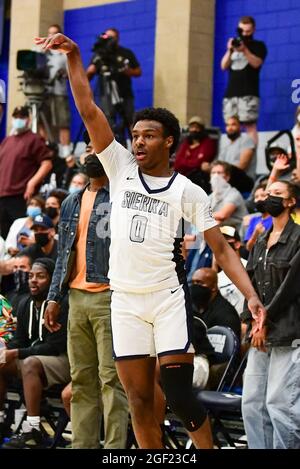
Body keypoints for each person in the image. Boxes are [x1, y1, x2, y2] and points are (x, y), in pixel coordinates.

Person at [35, 32, 266, 450]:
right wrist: (73, 56)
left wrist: (250, 294)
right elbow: (87, 108)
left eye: (149, 135)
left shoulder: (187, 191)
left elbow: (221, 249)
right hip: (122, 300)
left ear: (169, 141)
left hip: (164, 298)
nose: (138, 140)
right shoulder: (120, 166)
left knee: (177, 395)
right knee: (139, 401)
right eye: (135, 134)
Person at [44, 138, 128, 449]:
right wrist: (54, 298)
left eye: (97, 149)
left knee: (111, 379)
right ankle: (83, 445)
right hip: (75, 299)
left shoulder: (122, 197)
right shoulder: (70, 201)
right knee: (81, 381)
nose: (90, 154)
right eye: (87, 149)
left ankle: (116, 449)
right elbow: (64, 255)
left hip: (110, 296)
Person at [241, 180, 300, 449]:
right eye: (268, 193)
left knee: (280, 403)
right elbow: (249, 283)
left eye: (278, 194)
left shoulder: (298, 237)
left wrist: (264, 320)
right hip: (259, 331)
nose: (270, 197)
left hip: (288, 330)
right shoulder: (261, 239)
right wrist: (249, 321)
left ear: (290, 202)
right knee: (252, 402)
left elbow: (290, 288)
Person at [0, 258, 70, 448]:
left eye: (40, 277)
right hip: (33, 358)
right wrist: (6, 350)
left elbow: (54, 347)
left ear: (51, 280)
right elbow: (19, 339)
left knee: (30, 363)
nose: (33, 281)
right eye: (31, 276)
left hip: (63, 360)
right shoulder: (24, 304)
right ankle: (1, 422)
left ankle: (33, 430)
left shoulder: (62, 305)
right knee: (0, 361)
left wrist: (16, 352)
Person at [0, 106, 52, 238]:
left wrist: (32, 183)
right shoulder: (7, 141)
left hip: (21, 196)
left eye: (22, 117)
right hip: (3, 196)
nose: (18, 120)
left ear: (28, 120)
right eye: (16, 117)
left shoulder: (34, 139)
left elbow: (47, 163)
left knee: (21, 234)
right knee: (4, 236)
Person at [86, 27, 141, 143]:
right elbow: (88, 76)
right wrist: (90, 71)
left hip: (125, 93)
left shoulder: (126, 53)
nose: (109, 40)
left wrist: (127, 71)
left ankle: (135, 146)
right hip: (105, 94)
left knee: (129, 119)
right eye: (106, 37)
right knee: (107, 120)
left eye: (111, 37)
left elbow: (138, 71)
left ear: (117, 38)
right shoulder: (99, 54)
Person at [221, 16, 267, 144]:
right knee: (231, 127)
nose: (244, 34)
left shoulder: (258, 46)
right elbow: (223, 65)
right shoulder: (234, 44)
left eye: (248, 31)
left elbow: (256, 63)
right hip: (231, 93)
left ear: (253, 30)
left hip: (249, 93)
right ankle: (231, 159)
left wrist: (245, 50)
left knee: (250, 126)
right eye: (242, 30)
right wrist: (229, 50)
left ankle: (251, 160)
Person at [42, 24, 71, 157]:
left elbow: (71, 73)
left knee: (62, 122)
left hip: (59, 92)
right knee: (43, 121)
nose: (51, 36)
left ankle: (65, 152)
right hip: (44, 92)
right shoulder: (42, 52)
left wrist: (64, 73)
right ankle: (47, 148)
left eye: (54, 33)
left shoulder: (64, 53)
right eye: (49, 33)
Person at [209, 161, 248, 231]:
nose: (215, 176)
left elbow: (222, 215)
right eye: (213, 173)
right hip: (220, 230)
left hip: (236, 232)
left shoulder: (234, 194)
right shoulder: (211, 196)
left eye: (219, 173)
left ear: (227, 177)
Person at [219, 116, 256, 181]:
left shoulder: (246, 140)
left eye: (233, 125)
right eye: (227, 125)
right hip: (226, 177)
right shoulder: (226, 145)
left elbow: (242, 166)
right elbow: (219, 164)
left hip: (243, 179)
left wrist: (222, 172)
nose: (230, 128)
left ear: (240, 127)